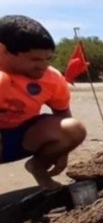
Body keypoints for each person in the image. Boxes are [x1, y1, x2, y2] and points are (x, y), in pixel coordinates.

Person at [0, 15, 87, 190]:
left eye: (48, 59)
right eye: (35, 60)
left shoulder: (51, 78)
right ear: (3, 50)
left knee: (73, 128)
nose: (43, 66)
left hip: (21, 137)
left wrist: (63, 152)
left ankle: (38, 168)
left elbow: (62, 114)